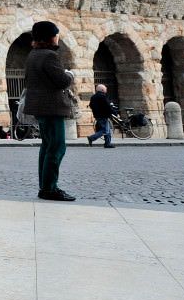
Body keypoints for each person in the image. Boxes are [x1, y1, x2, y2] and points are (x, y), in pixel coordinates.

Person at [22, 20, 77, 201]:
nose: (57, 37)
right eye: (56, 34)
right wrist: (70, 74)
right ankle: (49, 188)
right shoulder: (49, 56)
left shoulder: (33, 54)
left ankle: (45, 186)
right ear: (50, 37)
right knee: (57, 147)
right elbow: (61, 81)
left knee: (47, 146)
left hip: (40, 107)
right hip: (51, 107)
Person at [86, 83, 117, 149]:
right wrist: (114, 112)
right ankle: (91, 138)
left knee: (107, 130)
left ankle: (107, 143)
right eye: (105, 89)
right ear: (102, 90)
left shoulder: (93, 97)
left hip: (97, 115)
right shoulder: (103, 96)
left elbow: (91, 105)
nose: (106, 90)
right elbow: (107, 106)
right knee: (104, 130)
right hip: (104, 115)